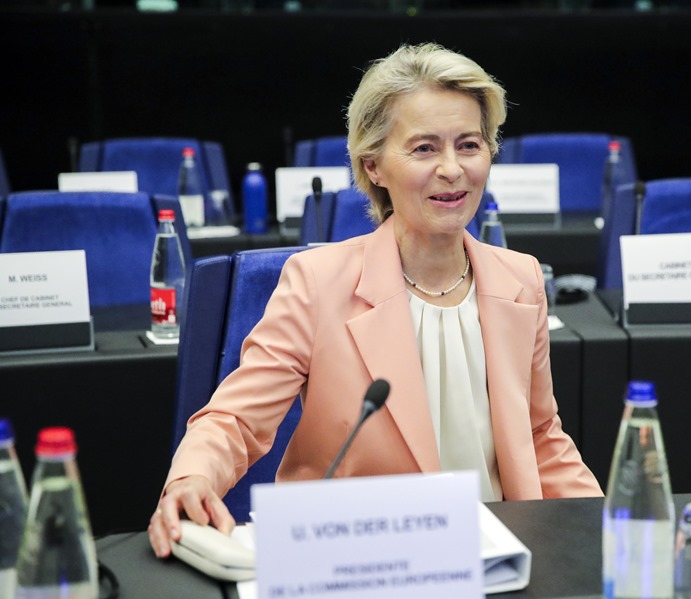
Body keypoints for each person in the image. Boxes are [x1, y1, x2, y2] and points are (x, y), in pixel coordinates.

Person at [149, 42, 601, 558]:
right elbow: (235, 419)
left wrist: (606, 531)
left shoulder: (520, 279)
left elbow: (541, 434)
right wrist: (191, 478)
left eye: (470, 145)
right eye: (425, 148)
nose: (453, 169)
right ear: (374, 166)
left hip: (500, 557)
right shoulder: (317, 282)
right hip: (366, 562)